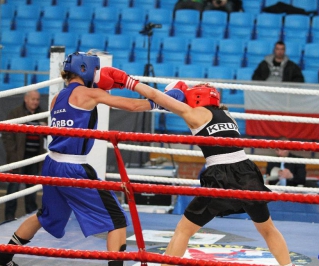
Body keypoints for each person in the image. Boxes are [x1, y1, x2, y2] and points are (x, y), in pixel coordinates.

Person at [0, 51, 185, 266]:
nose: (97, 74)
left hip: (51, 164)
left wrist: (102, 88)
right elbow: (133, 106)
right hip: (73, 168)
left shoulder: (55, 99)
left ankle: (4, 258)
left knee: (44, 216)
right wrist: (161, 103)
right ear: (85, 69)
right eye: (95, 70)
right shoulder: (88, 95)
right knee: (116, 219)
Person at [107, 79, 290, 265]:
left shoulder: (193, 114)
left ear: (195, 97)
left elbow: (154, 97)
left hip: (221, 175)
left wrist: (129, 81)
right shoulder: (227, 115)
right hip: (247, 170)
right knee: (268, 229)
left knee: (184, 230)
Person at [2, 90, 47, 222]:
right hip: (18, 158)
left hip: (34, 158)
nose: (35, 102)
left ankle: (31, 219)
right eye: (33, 99)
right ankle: (9, 218)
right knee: (13, 189)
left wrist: (46, 128)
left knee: (31, 191)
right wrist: (13, 153)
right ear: (26, 99)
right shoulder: (16, 113)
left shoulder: (42, 115)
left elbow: (48, 136)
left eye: (37, 99)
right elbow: (7, 134)